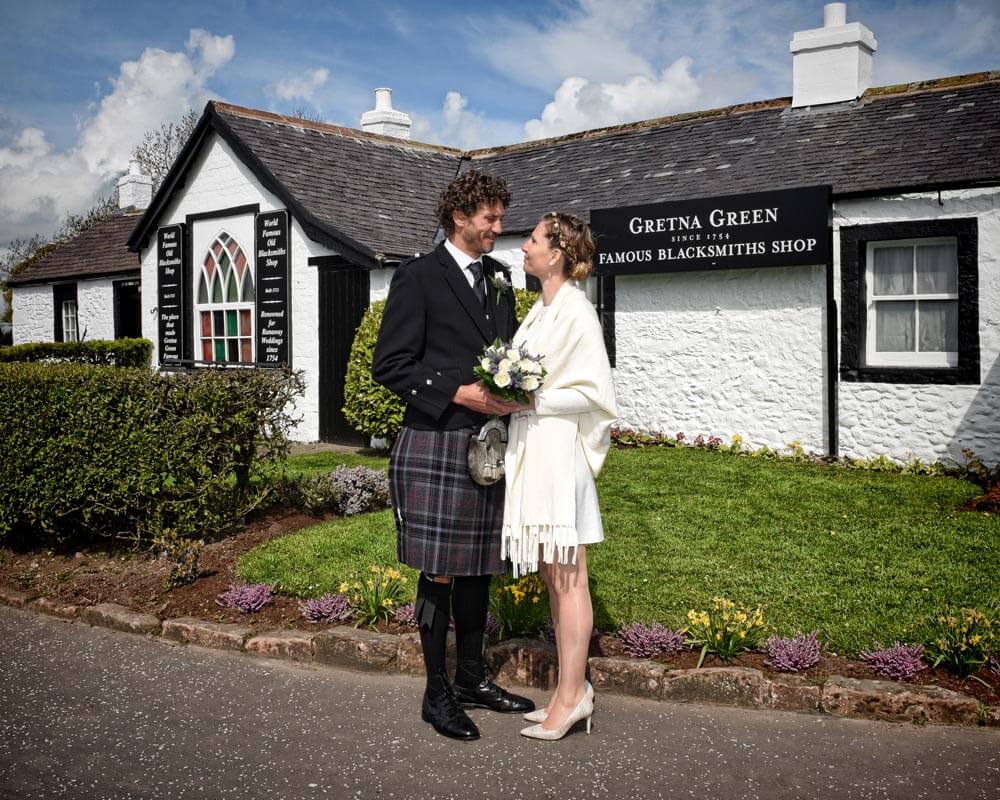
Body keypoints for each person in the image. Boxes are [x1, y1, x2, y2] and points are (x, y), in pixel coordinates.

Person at [373, 169, 535, 742]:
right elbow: (390, 365)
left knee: (478, 569)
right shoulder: (418, 276)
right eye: (489, 217)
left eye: (499, 216)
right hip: (437, 440)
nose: (498, 226)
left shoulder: (498, 279)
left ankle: (471, 679)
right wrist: (456, 392)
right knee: (439, 570)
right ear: (459, 218)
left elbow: (510, 351)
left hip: (487, 446)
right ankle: (435, 692)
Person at [502, 212, 617, 741]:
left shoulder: (577, 312)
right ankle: (568, 691)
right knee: (552, 574)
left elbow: (595, 394)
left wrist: (533, 397)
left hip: (560, 456)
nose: (523, 247)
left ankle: (573, 696)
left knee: (569, 577)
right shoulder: (539, 311)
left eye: (531, 240)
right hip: (535, 452)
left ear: (558, 254)